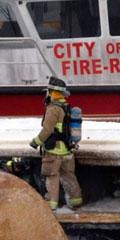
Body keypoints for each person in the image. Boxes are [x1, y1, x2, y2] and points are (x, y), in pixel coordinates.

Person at [29, 76, 83, 210]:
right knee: (69, 177)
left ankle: (50, 205)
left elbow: (47, 129)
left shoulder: (53, 109)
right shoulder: (66, 107)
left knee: (51, 176)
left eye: (48, 91)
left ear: (52, 93)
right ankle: (76, 201)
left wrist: (36, 142)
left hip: (54, 152)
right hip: (67, 150)